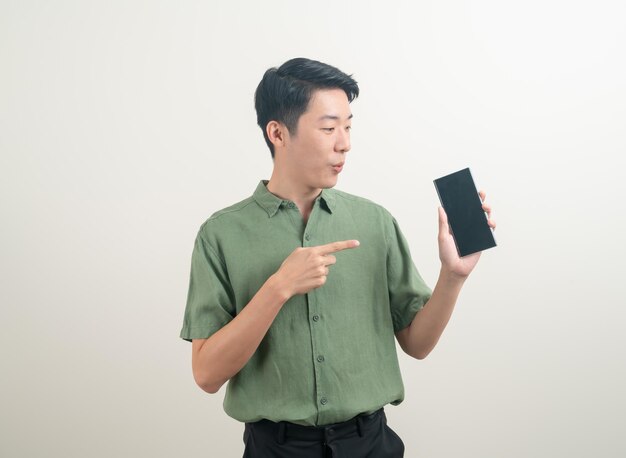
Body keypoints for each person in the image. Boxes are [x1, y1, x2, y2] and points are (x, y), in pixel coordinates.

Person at [180, 57, 496, 457]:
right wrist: (278, 288)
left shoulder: (374, 221)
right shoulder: (220, 234)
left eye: (348, 126)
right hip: (276, 449)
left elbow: (417, 344)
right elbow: (207, 374)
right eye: (329, 128)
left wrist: (453, 276)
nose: (344, 142)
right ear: (277, 133)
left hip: (371, 444)